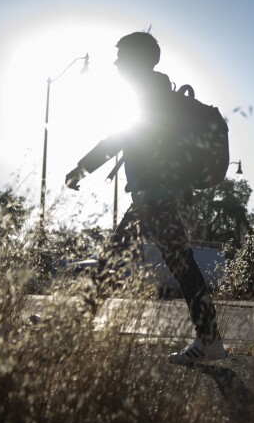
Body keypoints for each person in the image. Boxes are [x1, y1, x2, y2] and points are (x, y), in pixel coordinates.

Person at [65, 31, 226, 365]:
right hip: (154, 197)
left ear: (139, 60)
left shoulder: (149, 96)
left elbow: (118, 138)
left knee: (159, 264)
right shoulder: (155, 93)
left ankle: (209, 339)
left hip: (158, 198)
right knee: (162, 263)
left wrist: (82, 169)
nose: (116, 62)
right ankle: (209, 339)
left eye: (122, 56)